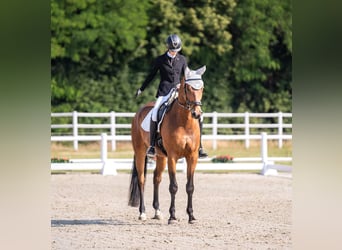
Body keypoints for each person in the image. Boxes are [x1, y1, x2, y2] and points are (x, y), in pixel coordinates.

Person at [135, 34, 208, 158]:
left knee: (199, 116)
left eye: (176, 51)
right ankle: (152, 146)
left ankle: (200, 146)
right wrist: (141, 89)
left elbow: (187, 74)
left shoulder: (182, 59)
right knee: (154, 113)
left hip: (179, 91)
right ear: (168, 48)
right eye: (172, 50)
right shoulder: (160, 60)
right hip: (164, 91)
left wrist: (185, 84)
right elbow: (151, 75)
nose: (174, 53)